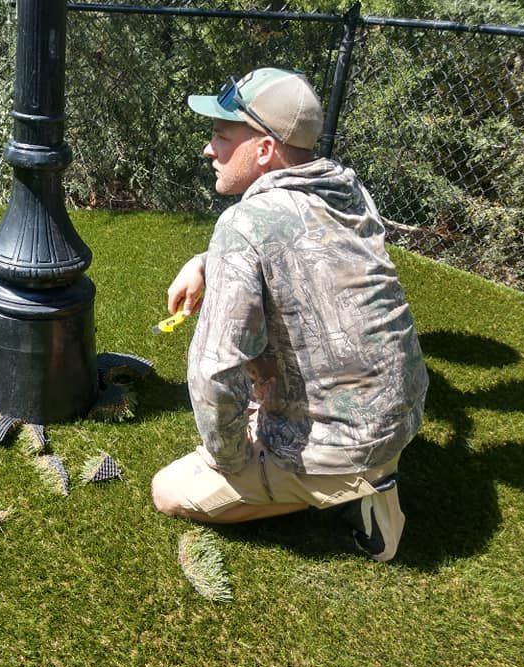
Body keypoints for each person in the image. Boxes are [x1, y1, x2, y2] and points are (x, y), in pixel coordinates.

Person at [150, 68, 428, 562]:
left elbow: (214, 371)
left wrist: (231, 460)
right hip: (399, 416)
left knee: (168, 490)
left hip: (342, 445)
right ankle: (361, 469)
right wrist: (204, 263)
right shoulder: (347, 191)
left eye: (221, 135)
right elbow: (301, 253)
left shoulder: (244, 222)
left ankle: (344, 488)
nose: (209, 149)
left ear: (263, 150)